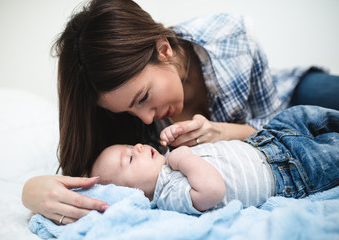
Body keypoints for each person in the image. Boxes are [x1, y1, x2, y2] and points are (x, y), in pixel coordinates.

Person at [22, 0, 339, 224]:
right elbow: (96, 179)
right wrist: (30, 191)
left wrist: (222, 131)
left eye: (144, 97)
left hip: (285, 98)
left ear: (164, 49)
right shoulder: (130, 140)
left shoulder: (230, 38)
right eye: (130, 112)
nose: (147, 119)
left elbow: (269, 129)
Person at [91, 105, 339, 214]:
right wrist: (183, 158)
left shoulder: (168, 158)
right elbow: (212, 190)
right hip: (291, 173)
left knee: (305, 114)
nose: (137, 147)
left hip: (267, 139)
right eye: (131, 159)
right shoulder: (169, 195)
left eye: (129, 146)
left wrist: (176, 138)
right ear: (136, 195)